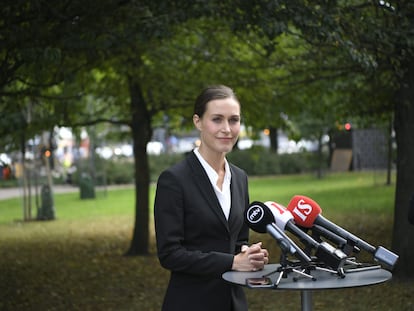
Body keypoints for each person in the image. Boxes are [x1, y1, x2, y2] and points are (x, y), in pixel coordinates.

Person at [154, 85, 269, 311]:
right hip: (190, 303)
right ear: (198, 122)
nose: (227, 128)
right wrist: (232, 262)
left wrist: (248, 254)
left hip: (233, 303)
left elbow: (238, 240)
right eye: (217, 119)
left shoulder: (240, 177)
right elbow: (170, 254)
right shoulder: (173, 180)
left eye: (234, 120)